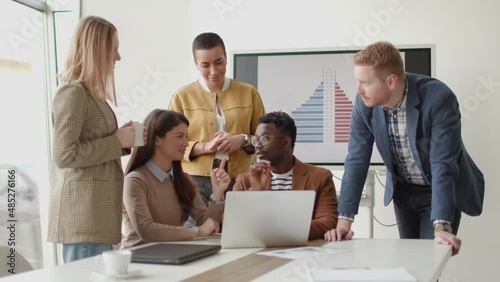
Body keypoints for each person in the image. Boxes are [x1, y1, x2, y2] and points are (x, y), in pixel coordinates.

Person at [324, 41, 484, 256]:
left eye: (365, 83)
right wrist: (343, 224)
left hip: (436, 189)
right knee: (409, 260)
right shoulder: (364, 104)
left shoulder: (439, 99)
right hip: (403, 191)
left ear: (391, 81)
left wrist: (442, 226)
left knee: (430, 261)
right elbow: (356, 160)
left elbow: (442, 164)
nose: (358, 90)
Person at [47, 16, 142, 263]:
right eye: (114, 49)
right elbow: (64, 154)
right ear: (96, 50)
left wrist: (119, 139)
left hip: (95, 216)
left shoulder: (89, 95)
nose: (118, 57)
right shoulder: (73, 93)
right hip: (84, 217)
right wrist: (116, 141)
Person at [168, 32, 266, 205]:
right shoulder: (182, 97)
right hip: (192, 181)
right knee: (197, 230)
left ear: (226, 58)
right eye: (205, 65)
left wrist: (242, 139)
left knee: (238, 230)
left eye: (219, 62)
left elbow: (265, 140)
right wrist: (205, 147)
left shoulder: (249, 93)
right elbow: (169, 145)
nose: (214, 71)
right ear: (196, 64)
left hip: (239, 180)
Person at [121, 109, 230, 249]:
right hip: (139, 259)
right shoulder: (135, 180)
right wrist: (197, 231)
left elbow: (206, 223)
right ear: (157, 139)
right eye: (180, 136)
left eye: (186, 136)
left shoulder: (184, 180)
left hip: (172, 254)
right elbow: (146, 230)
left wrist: (217, 193)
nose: (186, 143)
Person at [233, 111, 338, 239]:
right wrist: (255, 191)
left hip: (304, 253)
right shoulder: (245, 180)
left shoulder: (320, 177)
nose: (258, 145)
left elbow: (327, 222)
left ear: (286, 142)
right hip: (259, 253)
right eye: (256, 139)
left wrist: (280, 230)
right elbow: (231, 222)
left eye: (265, 138)